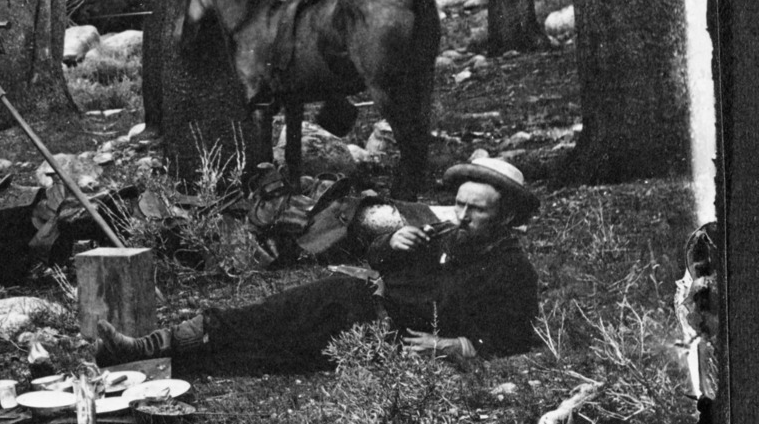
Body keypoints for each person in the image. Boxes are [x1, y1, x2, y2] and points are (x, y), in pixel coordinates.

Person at [96, 153, 542, 372]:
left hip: (389, 340)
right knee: (266, 323)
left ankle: (148, 356)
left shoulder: (511, 269)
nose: (461, 215)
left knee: (272, 352)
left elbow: (515, 337)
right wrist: (392, 242)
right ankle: (148, 350)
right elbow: (379, 261)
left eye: (476, 209)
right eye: (460, 204)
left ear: (502, 214)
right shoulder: (446, 235)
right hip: (359, 307)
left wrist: (448, 346)